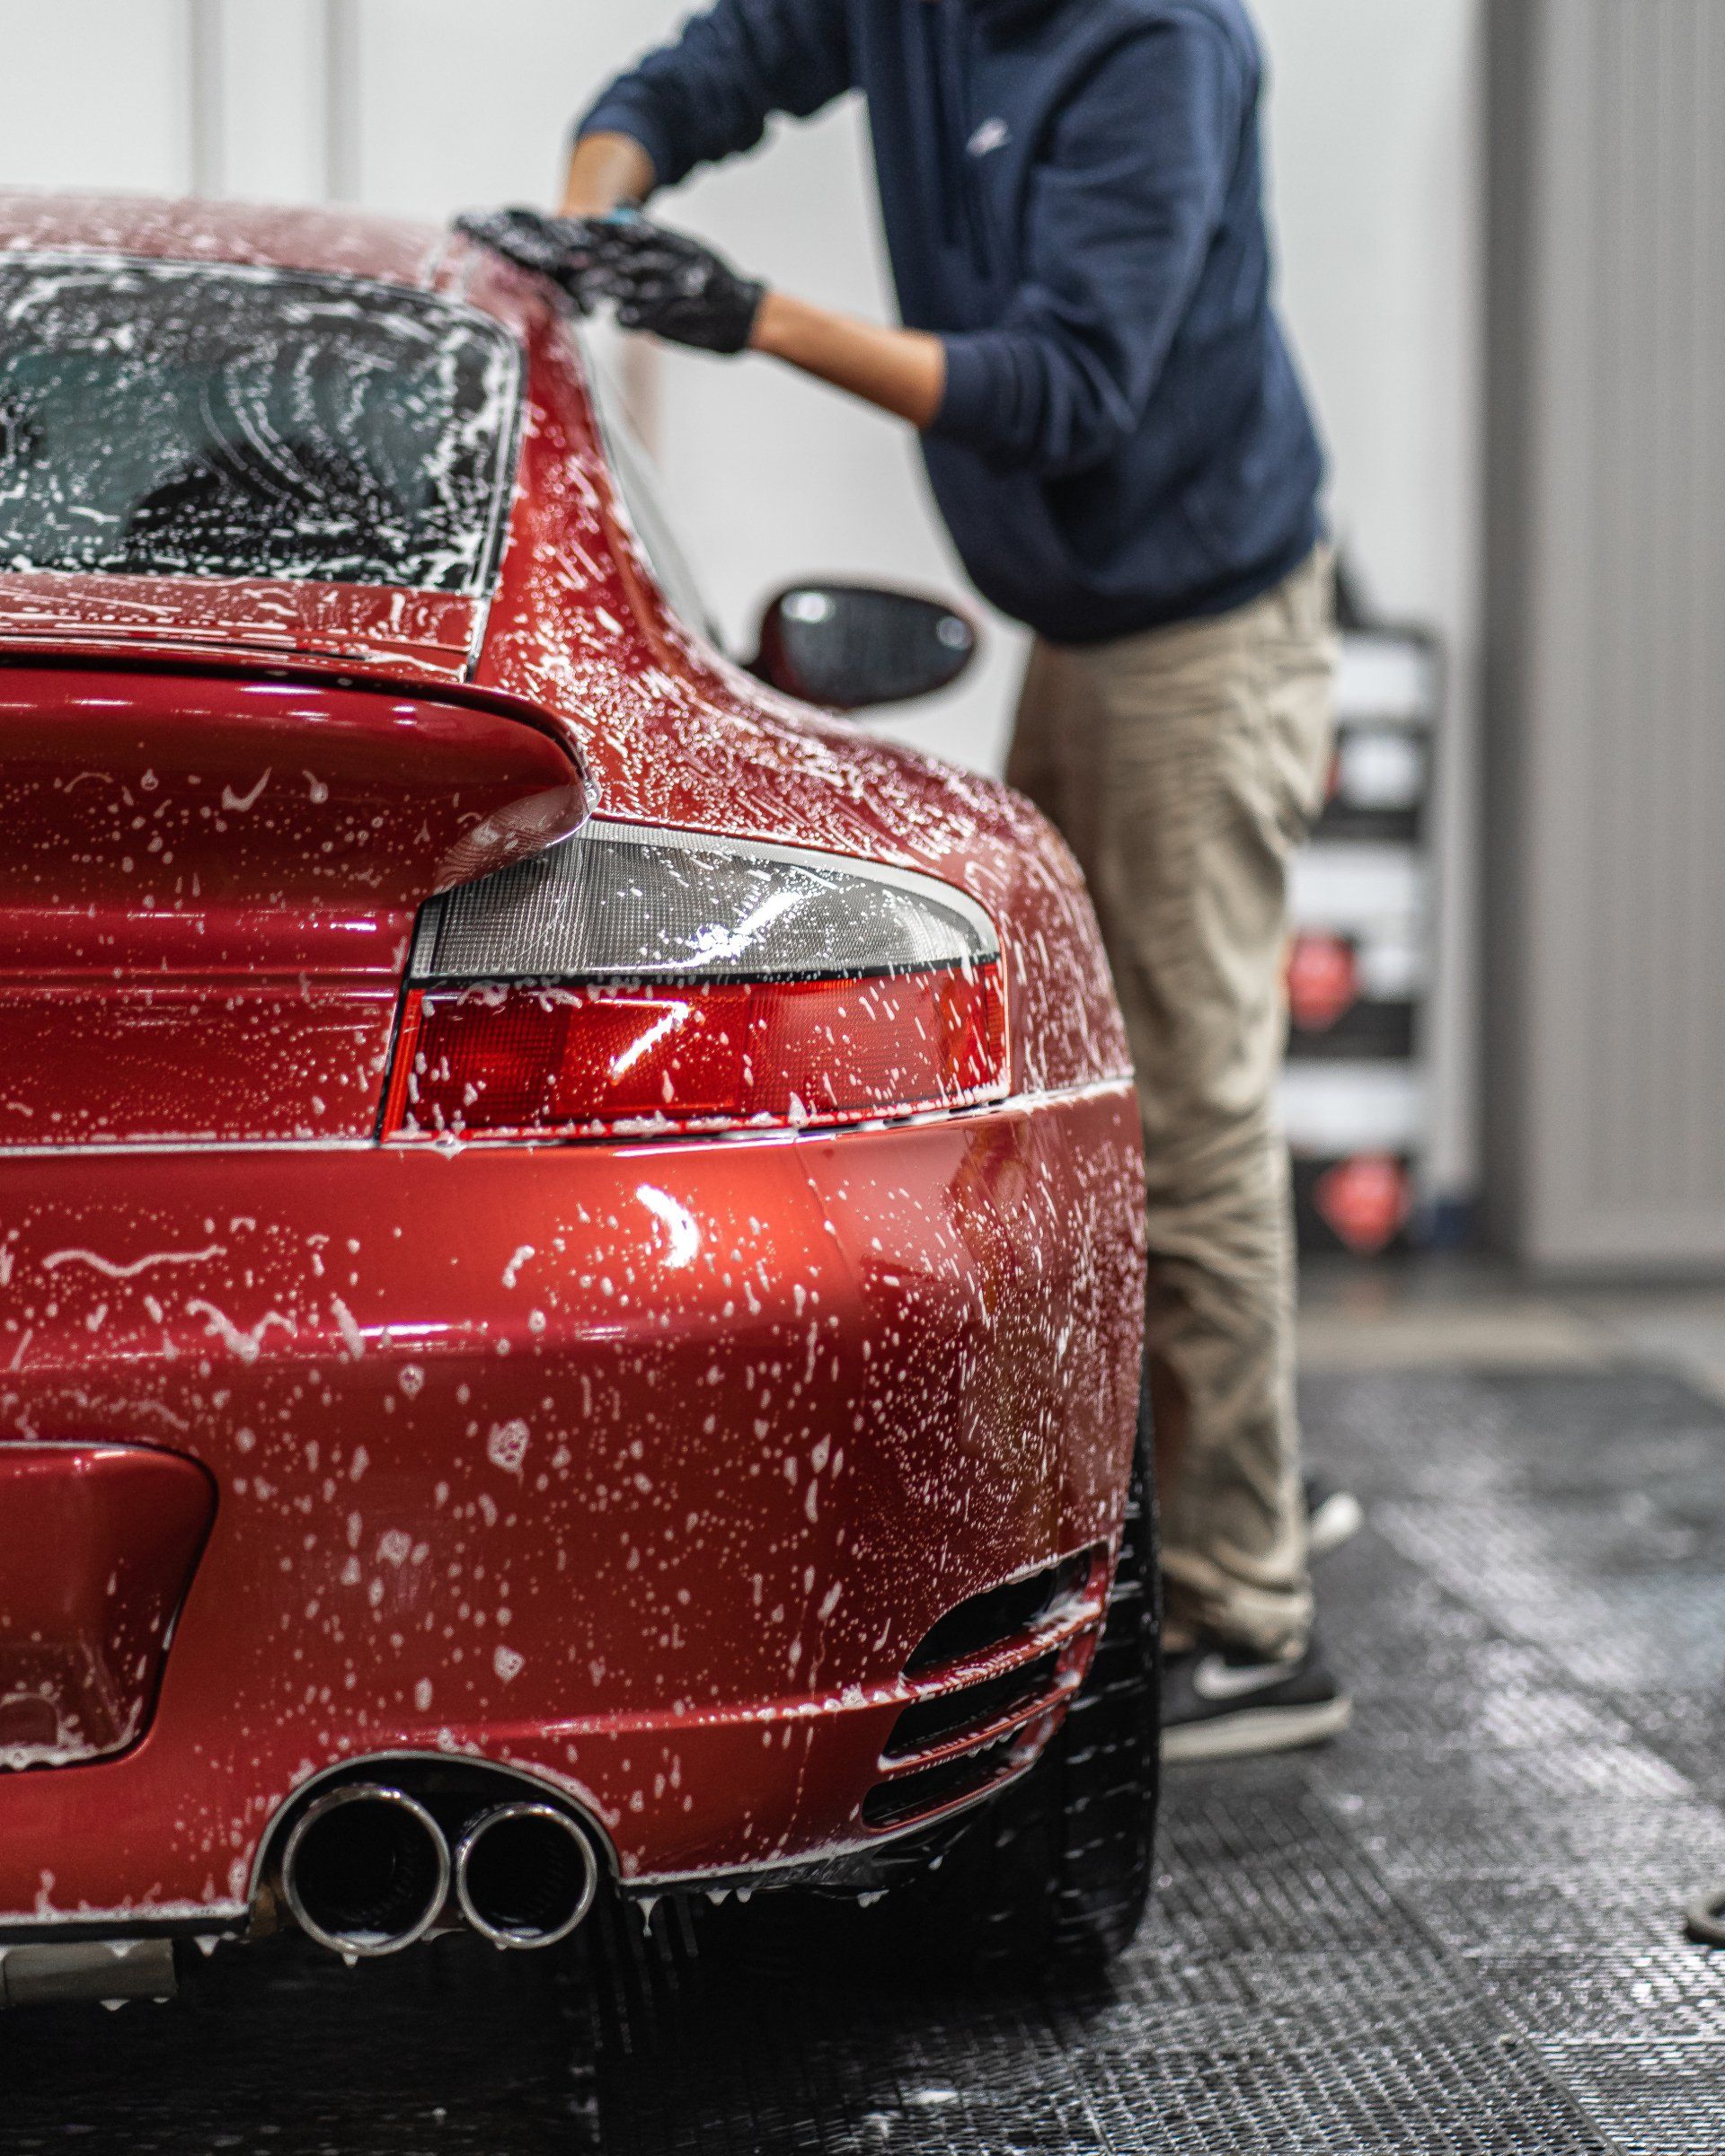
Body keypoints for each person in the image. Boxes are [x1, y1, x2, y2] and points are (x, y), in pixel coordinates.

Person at [475, 0, 1350, 1763]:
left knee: (1181, 1119)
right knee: (1083, 1088)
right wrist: (599, 229)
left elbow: (1065, 389)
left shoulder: (1158, 45)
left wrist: (752, 320)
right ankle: (1207, 1487)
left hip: (1201, 630)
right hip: (1088, 620)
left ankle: (1257, 1622)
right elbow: (692, 83)